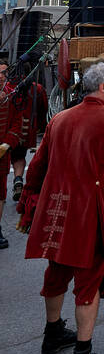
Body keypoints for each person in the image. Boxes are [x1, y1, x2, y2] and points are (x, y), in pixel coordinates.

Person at [17, 62, 104, 354]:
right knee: (90, 282)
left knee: (56, 272)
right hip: (91, 215)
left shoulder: (59, 119)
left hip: (57, 210)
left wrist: (29, 199)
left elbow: (36, 167)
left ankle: (53, 333)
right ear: (102, 89)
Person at [9, 56, 49, 202]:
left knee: (10, 157)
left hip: (8, 130)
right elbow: (43, 108)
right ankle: (18, 178)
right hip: (25, 130)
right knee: (19, 156)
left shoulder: (9, 88)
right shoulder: (37, 88)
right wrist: (40, 126)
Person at [0, 57, 24, 249]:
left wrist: (7, 144)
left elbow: (17, 123)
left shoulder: (11, 95)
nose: (0, 77)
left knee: (0, 194)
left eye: (3, 73)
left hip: (2, 152)